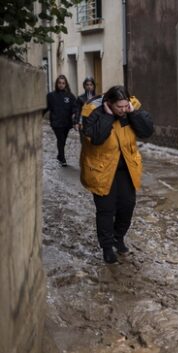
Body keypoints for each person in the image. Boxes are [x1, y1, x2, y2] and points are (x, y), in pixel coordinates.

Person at [79, 85, 154, 264]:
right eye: (118, 107)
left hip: (125, 168)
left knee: (127, 206)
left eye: (124, 106)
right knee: (106, 210)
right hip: (101, 169)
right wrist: (107, 116)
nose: (122, 110)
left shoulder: (130, 108)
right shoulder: (92, 111)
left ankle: (118, 238)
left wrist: (133, 113)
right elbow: (95, 138)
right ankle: (106, 247)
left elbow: (147, 131)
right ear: (109, 103)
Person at [45, 75, 76, 166]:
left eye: (63, 83)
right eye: (59, 83)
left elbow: (74, 107)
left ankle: (59, 155)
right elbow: (45, 107)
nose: (61, 85)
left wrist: (75, 115)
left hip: (66, 123)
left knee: (63, 140)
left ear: (66, 84)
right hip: (56, 123)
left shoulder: (70, 96)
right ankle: (62, 159)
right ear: (56, 84)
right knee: (60, 139)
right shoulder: (51, 96)